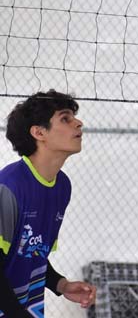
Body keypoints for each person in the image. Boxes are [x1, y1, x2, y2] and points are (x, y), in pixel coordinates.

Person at [0, 90, 97, 317]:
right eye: (65, 118)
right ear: (39, 132)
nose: (78, 123)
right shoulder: (9, 187)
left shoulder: (62, 186)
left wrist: (61, 285)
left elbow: (33, 252)